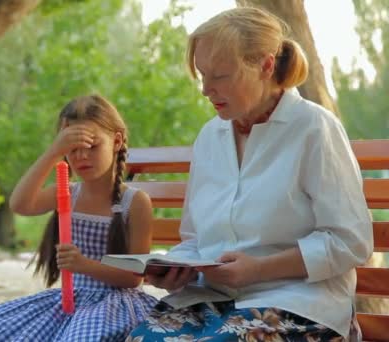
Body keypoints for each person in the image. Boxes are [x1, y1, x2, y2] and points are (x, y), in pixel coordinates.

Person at [127, 7, 373, 342]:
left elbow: (350, 242)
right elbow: (196, 239)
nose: (206, 90)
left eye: (220, 76)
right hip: (212, 301)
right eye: (202, 75)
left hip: (298, 304)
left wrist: (259, 269)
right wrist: (175, 269)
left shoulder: (314, 128)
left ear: (266, 66)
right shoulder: (209, 137)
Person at [0, 94, 158, 342]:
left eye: (92, 146)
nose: (81, 156)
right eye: (72, 149)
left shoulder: (134, 203)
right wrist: (52, 153)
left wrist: (84, 265)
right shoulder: (67, 193)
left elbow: (134, 276)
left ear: (116, 142)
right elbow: (21, 204)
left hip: (116, 306)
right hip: (69, 301)